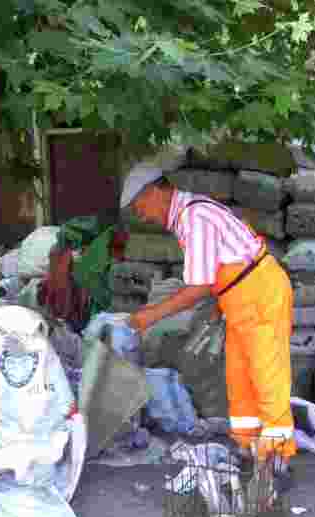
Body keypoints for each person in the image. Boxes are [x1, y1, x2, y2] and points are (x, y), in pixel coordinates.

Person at [120, 163, 296, 488]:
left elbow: (199, 285)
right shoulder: (189, 215)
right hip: (240, 296)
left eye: (138, 205)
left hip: (258, 293)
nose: (140, 215)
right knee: (240, 377)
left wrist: (150, 316)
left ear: (155, 191)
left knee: (266, 377)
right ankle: (248, 449)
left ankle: (276, 461)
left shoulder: (194, 216)